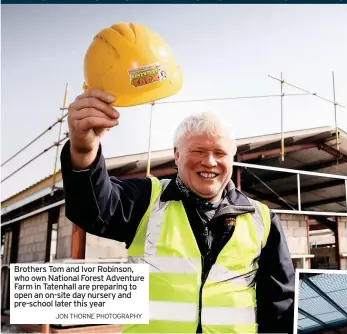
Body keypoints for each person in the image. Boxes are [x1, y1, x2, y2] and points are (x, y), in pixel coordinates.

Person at [60, 89, 295, 334]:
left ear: (232, 159)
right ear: (177, 155)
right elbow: (92, 209)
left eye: (220, 153)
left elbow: (279, 306)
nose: (210, 162)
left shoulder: (262, 219)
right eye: (199, 151)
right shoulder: (147, 201)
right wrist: (84, 149)